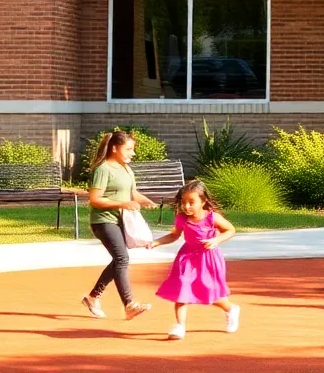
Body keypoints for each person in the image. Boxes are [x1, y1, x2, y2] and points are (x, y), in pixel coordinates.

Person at [147, 180, 240, 339]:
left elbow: (230, 230)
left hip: (208, 259)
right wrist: (157, 242)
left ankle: (231, 309)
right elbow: (174, 235)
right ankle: (180, 326)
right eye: (183, 202)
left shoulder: (212, 217)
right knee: (182, 289)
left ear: (203, 201)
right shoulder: (181, 218)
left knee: (209, 293)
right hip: (187, 259)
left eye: (191, 202)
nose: (186, 206)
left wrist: (216, 240)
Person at [81, 130, 157, 321]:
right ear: (114, 148)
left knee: (119, 260)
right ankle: (129, 304)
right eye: (129, 149)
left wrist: (145, 200)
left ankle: (93, 297)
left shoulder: (126, 169)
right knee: (122, 258)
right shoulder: (103, 169)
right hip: (103, 220)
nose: (133, 153)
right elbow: (95, 199)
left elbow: (132, 193)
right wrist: (122, 204)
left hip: (120, 220)